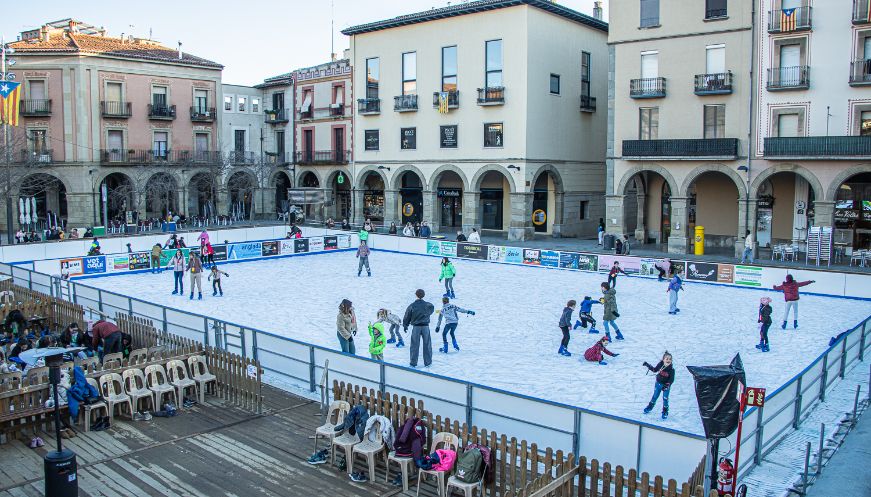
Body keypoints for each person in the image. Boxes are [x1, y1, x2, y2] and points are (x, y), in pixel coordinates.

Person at [402, 289, 435, 368]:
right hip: (425, 327)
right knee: (427, 344)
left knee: (414, 345)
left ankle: (413, 363)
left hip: (416, 327)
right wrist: (426, 315)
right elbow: (431, 309)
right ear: (423, 295)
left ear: (416, 295)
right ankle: (428, 362)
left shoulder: (412, 305)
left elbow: (407, 315)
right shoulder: (428, 305)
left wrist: (405, 325)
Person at [642, 351, 674, 419]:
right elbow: (654, 370)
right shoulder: (660, 365)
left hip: (666, 386)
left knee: (665, 399)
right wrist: (647, 365)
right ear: (663, 359)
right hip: (658, 384)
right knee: (655, 396)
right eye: (667, 359)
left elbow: (671, 380)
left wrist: (667, 385)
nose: (668, 360)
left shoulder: (671, 370)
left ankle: (665, 411)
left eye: (670, 359)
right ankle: (649, 407)